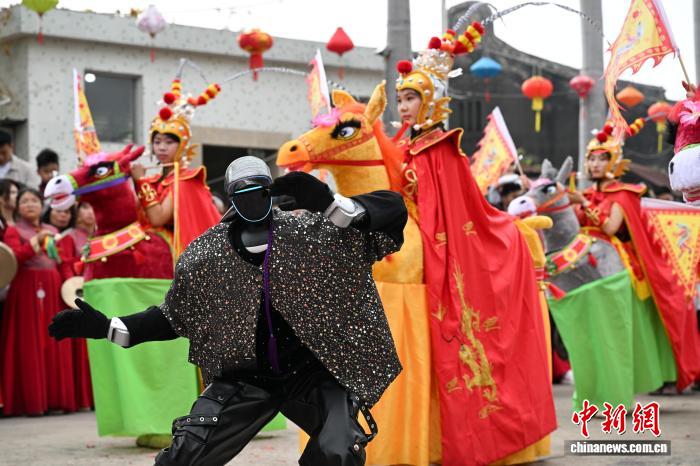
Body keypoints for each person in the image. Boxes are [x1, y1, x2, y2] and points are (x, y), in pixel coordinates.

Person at [49, 156, 407, 465]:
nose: (251, 197)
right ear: (231, 197)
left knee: (338, 449)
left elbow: (393, 212)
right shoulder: (207, 255)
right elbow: (173, 316)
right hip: (245, 377)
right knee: (184, 455)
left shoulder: (312, 234)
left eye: (259, 189)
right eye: (242, 191)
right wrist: (109, 326)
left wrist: (333, 204)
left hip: (313, 372)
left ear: (271, 190)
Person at [392, 28, 555, 465]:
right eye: (400, 99)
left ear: (431, 100)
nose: (403, 106)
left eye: (410, 98)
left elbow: (451, 209)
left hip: (444, 243)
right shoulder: (404, 147)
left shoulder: (442, 149)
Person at [568, 127, 700, 391]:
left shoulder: (623, 194)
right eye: (591, 159)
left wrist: (583, 203)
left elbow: (610, 227)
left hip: (620, 262)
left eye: (601, 159)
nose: (595, 164)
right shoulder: (588, 194)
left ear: (614, 162)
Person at [1, 188, 77, 415]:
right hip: (25, 289)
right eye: (24, 201)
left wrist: (70, 289)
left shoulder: (53, 230)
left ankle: (56, 399)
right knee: (28, 343)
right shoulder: (14, 230)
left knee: (54, 341)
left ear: (41, 204)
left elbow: (62, 261)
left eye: (34, 200)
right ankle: (32, 402)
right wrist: (36, 240)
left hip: (53, 288)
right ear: (18, 207)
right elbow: (14, 259)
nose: (30, 205)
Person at [130, 78, 221, 259]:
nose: (162, 148)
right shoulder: (154, 180)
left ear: (182, 146)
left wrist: (140, 181)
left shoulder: (184, 181)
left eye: (169, 142)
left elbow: (158, 218)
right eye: (157, 142)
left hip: (174, 254)